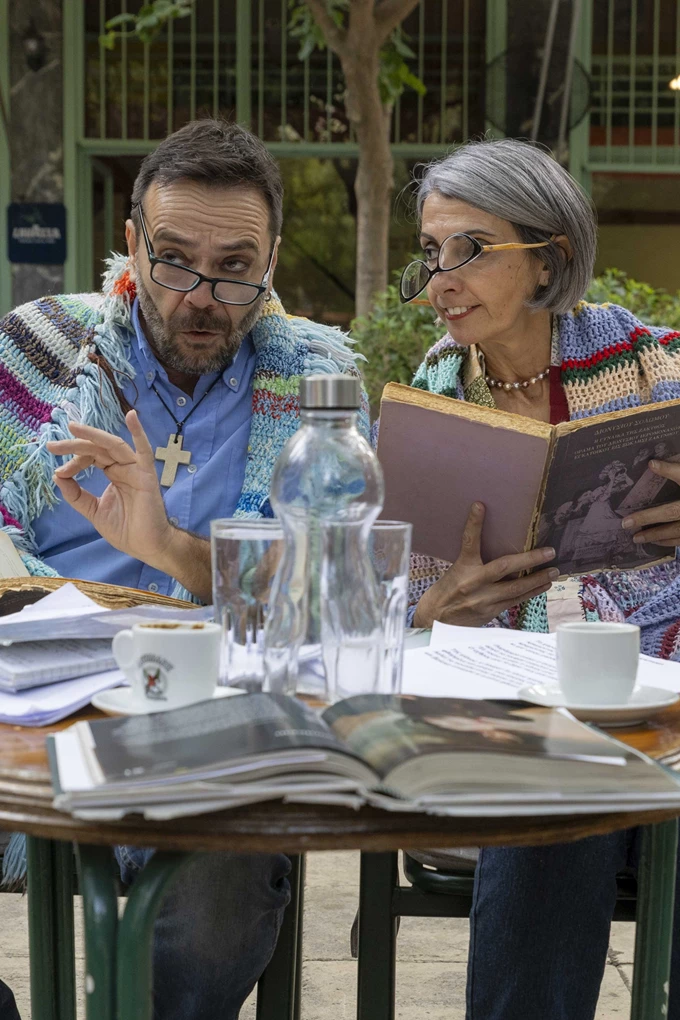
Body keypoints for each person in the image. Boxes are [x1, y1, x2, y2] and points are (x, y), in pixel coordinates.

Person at [0, 117, 366, 1020]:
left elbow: (321, 594)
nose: (200, 295)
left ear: (272, 260)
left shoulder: (317, 388)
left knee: (221, 888)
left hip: (221, 726)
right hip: (37, 705)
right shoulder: (35, 348)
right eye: (172, 259)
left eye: (235, 266)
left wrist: (163, 547)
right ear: (129, 243)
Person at [399, 137, 680, 1020]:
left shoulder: (656, 366)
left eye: (469, 250)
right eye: (432, 253)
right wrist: (437, 609)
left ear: (551, 255)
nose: (441, 279)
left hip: (662, 712)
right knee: (555, 802)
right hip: (522, 725)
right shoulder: (434, 392)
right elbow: (401, 603)